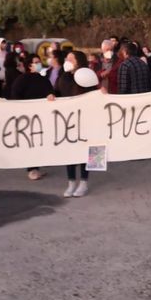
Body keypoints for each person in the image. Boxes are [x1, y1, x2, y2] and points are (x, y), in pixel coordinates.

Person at [48, 51, 97, 197]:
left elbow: (94, 95)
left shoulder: (86, 75)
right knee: (69, 152)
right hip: (67, 120)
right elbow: (57, 91)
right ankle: (71, 182)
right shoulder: (64, 76)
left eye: (71, 58)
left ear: (78, 61)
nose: (67, 61)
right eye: (67, 58)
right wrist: (51, 95)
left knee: (86, 152)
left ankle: (84, 182)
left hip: (85, 119)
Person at [10, 52, 53, 182]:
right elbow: (15, 96)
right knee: (30, 142)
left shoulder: (43, 79)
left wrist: (51, 96)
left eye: (39, 61)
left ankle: (36, 167)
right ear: (29, 65)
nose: (39, 64)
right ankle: (31, 169)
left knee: (40, 141)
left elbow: (50, 91)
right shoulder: (22, 79)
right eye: (36, 62)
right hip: (27, 117)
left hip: (42, 115)